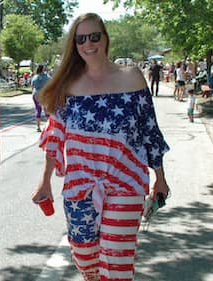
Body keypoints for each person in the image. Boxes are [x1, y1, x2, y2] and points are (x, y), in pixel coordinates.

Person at [32, 13, 170, 281]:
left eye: (94, 36)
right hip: (79, 185)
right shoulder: (67, 85)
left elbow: (149, 132)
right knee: (85, 256)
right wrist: (45, 181)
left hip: (126, 183)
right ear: (74, 44)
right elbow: (54, 136)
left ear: (105, 39)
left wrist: (160, 180)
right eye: (81, 38)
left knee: (116, 260)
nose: (88, 43)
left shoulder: (132, 78)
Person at [31, 64, 51, 132]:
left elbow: (32, 86)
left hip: (36, 94)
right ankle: (49, 126)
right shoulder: (47, 76)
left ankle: (38, 127)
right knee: (46, 109)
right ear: (43, 69)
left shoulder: (34, 77)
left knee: (38, 109)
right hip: (44, 94)